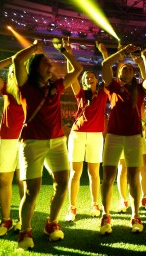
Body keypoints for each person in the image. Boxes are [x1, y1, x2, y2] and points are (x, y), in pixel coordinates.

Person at [13, 38, 83, 249]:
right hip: (32, 142)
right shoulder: (25, 86)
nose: (50, 65)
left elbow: (78, 69)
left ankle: (51, 223)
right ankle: (25, 230)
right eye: (45, 63)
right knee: (31, 191)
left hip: (57, 141)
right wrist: (34, 48)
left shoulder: (57, 86)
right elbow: (17, 60)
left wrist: (66, 52)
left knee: (63, 182)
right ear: (35, 67)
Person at [99, 44, 146, 235]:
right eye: (124, 68)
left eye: (131, 68)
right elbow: (106, 65)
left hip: (134, 136)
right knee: (108, 177)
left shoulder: (138, 88)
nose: (128, 69)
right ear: (119, 74)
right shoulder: (113, 85)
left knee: (133, 177)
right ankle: (105, 215)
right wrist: (120, 54)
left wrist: (144, 58)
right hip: (113, 135)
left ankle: (136, 215)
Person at [64, 41, 109, 222]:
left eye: (91, 76)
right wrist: (68, 53)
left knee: (94, 173)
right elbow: (71, 75)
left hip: (96, 135)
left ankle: (95, 204)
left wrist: (105, 53)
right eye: (86, 77)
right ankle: (72, 207)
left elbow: (108, 74)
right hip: (78, 134)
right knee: (75, 173)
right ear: (83, 82)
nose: (89, 78)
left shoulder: (103, 93)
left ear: (96, 80)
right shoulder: (80, 94)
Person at [0, 57, 25, 237]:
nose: (15, 73)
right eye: (13, 71)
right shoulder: (6, 90)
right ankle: (6, 219)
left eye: (19, 70)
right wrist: (12, 59)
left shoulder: (31, 91)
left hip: (26, 139)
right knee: (4, 180)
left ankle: (24, 219)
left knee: (24, 181)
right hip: (7, 138)